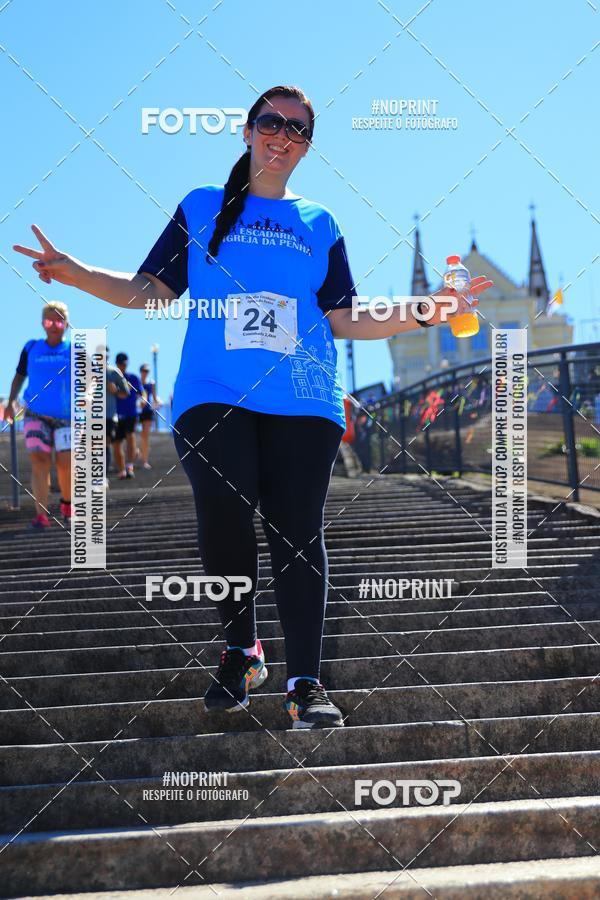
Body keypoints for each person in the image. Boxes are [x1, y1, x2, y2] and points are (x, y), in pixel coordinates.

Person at [13, 84, 492, 727]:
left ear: (306, 147)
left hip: (304, 398)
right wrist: (76, 274)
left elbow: (346, 317)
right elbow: (149, 289)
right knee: (223, 517)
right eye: (272, 121)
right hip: (212, 394)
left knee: (297, 535)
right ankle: (241, 648)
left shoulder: (319, 223)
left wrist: (428, 310)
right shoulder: (203, 205)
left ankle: (304, 684)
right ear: (246, 130)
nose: (283, 134)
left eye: (298, 129)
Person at [3, 301, 72, 529]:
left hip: (66, 416)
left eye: (59, 321)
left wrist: (89, 398)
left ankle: (67, 504)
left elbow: (90, 379)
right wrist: (11, 402)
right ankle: (41, 515)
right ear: (43, 324)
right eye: (49, 321)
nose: (54, 326)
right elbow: (19, 376)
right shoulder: (31, 347)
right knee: (39, 462)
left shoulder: (74, 349)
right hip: (35, 413)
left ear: (66, 324)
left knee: (66, 463)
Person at [113, 352, 142, 479]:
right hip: (116, 415)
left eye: (124, 364)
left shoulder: (133, 378)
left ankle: (129, 466)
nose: (122, 366)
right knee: (117, 442)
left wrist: (143, 402)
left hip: (130, 413)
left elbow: (141, 393)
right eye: (120, 364)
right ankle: (121, 469)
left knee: (130, 437)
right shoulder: (111, 378)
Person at [105, 345, 130, 481]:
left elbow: (126, 393)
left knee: (105, 444)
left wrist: (115, 390)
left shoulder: (114, 373)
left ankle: (102, 477)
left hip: (109, 416)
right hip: (90, 417)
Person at [138, 363, 157, 469]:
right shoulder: (137, 382)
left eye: (147, 371)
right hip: (137, 410)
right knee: (133, 435)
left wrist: (158, 402)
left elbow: (154, 397)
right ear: (141, 371)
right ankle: (136, 453)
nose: (145, 373)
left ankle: (145, 460)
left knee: (145, 436)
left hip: (147, 411)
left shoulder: (151, 383)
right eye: (144, 371)